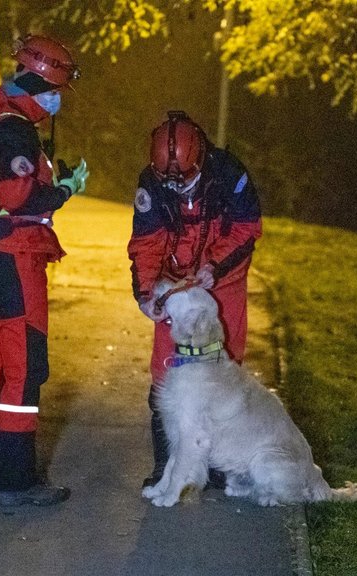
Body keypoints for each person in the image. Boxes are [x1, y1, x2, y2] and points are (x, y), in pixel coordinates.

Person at [0, 34, 89, 507]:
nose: (58, 102)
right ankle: (17, 481)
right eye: (56, 91)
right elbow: (19, 197)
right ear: (41, 83)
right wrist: (64, 190)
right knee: (25, 368)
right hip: (15, 259)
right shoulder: (15, 131)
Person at [127, 111, 263, 488]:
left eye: (184, 181)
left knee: (224, 368)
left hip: (224, 284)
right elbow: (147, 243)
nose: (176, 190)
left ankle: (221, 465)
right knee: (165, 372)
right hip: (177, 286)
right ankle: (167, 466)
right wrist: (146, 293)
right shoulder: (152, 184)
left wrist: (214, 268)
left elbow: (246, 230)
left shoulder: (229, 175)